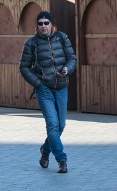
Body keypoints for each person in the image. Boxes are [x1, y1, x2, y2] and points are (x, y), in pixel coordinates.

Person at [19, 11, 77, 173]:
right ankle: (62, 160)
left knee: (61, 125)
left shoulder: (62, 38)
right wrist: (38, 83)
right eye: (40, 23)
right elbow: (23, 67)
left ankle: (45, 150)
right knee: (52, 125)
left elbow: (72, 58)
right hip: (44, 89)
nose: (43, 26)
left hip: (61, 87)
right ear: (37, 26)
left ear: (52, 24)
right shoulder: (31, 43)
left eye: (46, 23)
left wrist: (67, 68)